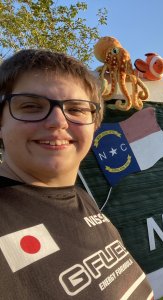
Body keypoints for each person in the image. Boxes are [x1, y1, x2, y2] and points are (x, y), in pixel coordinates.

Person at [0, 49, 153, 299]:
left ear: (95, 125)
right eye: (31, 106)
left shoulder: (81, 198)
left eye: (77, 109)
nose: (58, 121)